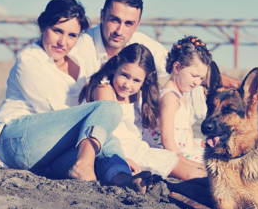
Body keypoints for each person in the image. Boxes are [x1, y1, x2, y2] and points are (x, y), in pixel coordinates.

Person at [0, 0, 137, 189]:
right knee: (109, 110)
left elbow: (87, 124)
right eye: (57, 31)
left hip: (48, 154)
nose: (62, 42)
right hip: (17, 141)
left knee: (103, 142)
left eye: (72, 35)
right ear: (43, 26)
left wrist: (118, 154)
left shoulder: (79, 61)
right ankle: (85, 164)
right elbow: (56, 111)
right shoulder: (30, 61)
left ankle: (123, 178)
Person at [71, 0, 242, 121]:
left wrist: (235, 83)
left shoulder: (141, 44)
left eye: (129, 23)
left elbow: (178, 66)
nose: (119, 30)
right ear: (102, 16)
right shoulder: (81, 47)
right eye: (114, 20)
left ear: (137, 24)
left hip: (131, 129)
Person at [80, 43, 206, 180]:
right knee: (190, 173)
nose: (128, 84)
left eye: (136, 80)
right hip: (120, 152)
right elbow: (104, 132)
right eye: (124, 75)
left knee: (197, 167)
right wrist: (122, 159)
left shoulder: (136, 96)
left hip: (140, 149)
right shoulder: (104, 90)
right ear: (116, 68)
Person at [144, 36, 212, 163]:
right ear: (177, 68)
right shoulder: (170, 98)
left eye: (201, 78)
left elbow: (184, 131)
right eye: (194, 76)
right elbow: (167, 140)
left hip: (183, 148)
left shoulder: (181, 95)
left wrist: (197, 143)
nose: (197, 82)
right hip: (171, 153)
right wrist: (184, 163)